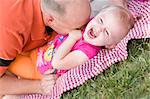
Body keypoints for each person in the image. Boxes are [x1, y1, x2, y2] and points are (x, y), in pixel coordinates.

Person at [7, 6, 134, 99]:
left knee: (10, 64)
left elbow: (57, 62)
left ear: (110, 45)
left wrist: (72, 38)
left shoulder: (87, 52)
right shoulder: (89, 26)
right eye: (100, 20)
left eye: (106, 32)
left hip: (37, 69)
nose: (98, 29)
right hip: (40, 50)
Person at [0, 0, 91, 97]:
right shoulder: (8, 32)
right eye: (77, 28)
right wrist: (39, 86)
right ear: (51, 20)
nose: (83, 31)